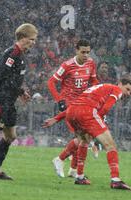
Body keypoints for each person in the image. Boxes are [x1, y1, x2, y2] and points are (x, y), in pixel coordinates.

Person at [42, 79, 131, 190]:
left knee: (84, 140)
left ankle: (79, 176)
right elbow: (105, 108)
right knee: (110, 145)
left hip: (72, 112)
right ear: (120, 84)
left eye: (130, 92)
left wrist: (56, 118)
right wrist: (96, 123)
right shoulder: (116, 89)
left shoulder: (100, 88)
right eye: (127, 89)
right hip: (87, 112)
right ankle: (115, 180)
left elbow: (78, 104)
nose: (128, 93)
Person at [48, 39, 99, 178]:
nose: (86, 55)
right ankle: (60, 159)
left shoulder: (91, 64)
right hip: (70, 105)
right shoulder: (67, 65)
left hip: (82, 103)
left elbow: (94, 81)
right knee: (82, 137)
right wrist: (60, 100)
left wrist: (96, 95)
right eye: (83, 52)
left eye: (88, 52)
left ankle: (73, 169)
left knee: (82, 138)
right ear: (76, 50)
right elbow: (51, 82)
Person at [0, 23, 38, 180]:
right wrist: (0, 99)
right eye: (32, 39)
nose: (33, 42)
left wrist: (20, 92)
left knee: (11, 136)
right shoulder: (12, 54)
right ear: (23, 38)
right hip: (0, 101)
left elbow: (11, 79)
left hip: (9, 102)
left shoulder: (21, 55)